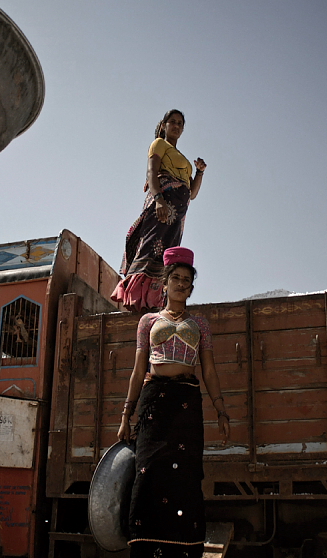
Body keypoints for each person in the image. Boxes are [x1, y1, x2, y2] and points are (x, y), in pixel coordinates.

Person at [117, 247, 230, 558]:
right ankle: (145, 549)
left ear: (191, 287)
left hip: (186, 404)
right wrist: (126, 415)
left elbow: (208, 369)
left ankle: (185, 550)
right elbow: (139, 369)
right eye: (176, 278)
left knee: (186, 476)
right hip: (155, 405)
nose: (182, 284)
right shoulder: (147, 322)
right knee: (148, 472)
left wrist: (221, 410)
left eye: (187, 280)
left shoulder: (201, 324)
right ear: (164, 284)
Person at [112, 110, 207, 312]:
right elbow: (152, 172)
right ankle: (137, 299)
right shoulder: (159, 144)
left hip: (178, 215)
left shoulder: (184, 159)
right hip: (163, 204)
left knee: (167, 256)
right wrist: (158, 199)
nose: (176, 126)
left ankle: (157, 301)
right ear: (164, 125)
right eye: (172, 122)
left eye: (180, 123)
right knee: (150, 247)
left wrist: (199, 172)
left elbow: (192, 193)